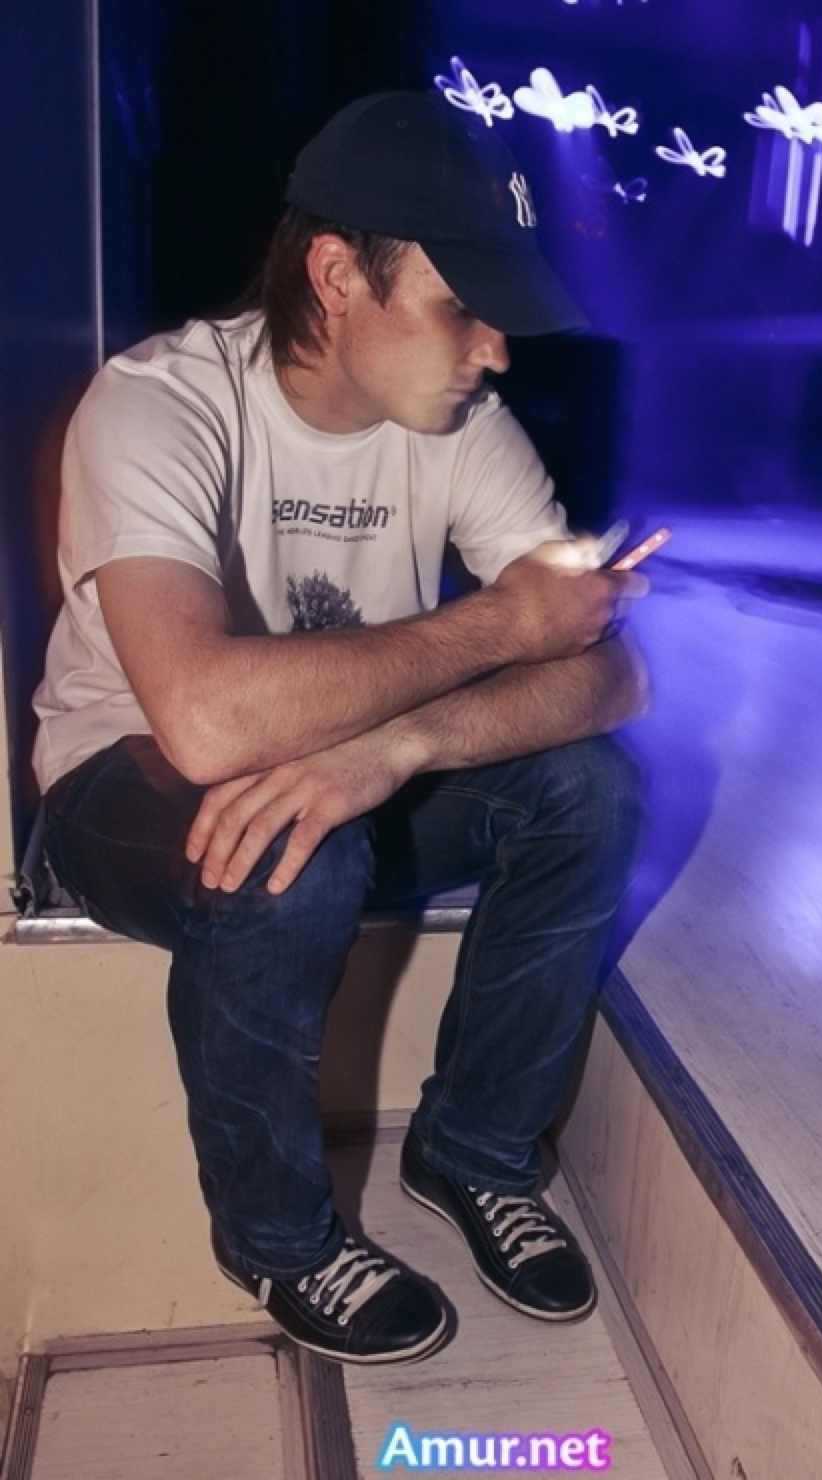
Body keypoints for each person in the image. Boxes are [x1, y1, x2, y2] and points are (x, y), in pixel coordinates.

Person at [32, 91, 650, 1366]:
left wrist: (398, 746)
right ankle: (275, 1236)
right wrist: (500, 622)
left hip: (353, 777)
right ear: (334, 277)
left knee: (590, 790)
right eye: (460, 306)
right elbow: (205, 724)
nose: (494, 351)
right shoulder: (157, 405)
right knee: (288, 847)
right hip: (119, 781)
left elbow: (613, 678)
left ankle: (472, 1149)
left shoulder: (462, 427)